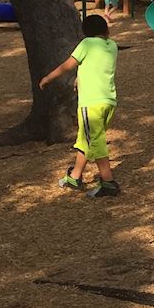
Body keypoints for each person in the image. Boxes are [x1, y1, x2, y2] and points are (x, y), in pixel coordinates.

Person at [39, 14, 121, 198]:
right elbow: (97, 67)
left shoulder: (87, 44)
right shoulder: (113, 46)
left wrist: (48, 78)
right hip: (108, 101)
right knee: (87, 139)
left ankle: (108, 182)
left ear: (86, 33)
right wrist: (80, 78)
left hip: (90, 103)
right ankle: (75, 177)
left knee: (96, 141)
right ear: (105, 30)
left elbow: (67, 65)